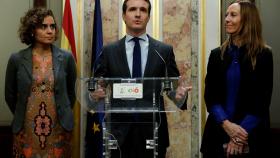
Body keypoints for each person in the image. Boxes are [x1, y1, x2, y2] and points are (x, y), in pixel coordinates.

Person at [89, 0, 191, 157]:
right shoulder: (109, 51)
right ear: (124, 15)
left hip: (153, 133)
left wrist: (179, 96)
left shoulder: (164, 51)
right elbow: (96, 85)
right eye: (132, 9)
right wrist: (94, 94)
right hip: (118, 135)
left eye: (143, 10)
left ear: (148, 16)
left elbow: (171, 88)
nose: (138, 14)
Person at [200, 1, 273, 158]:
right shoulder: (216, 55)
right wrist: (227, 125)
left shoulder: (264, 55)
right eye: (226, 15)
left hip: (251, 136)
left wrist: (239, 137)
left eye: (233, 15)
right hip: (217, 133)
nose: (227, 19)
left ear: (247, 20)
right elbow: (210, 96)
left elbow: (262, 99)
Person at [5, 8, 77, 157]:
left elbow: (72, 92)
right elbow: (9, 95)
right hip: (27, 129)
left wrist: (63, 112)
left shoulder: (66, 58)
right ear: (32, 30)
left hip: (59, 129)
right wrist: (23, 114)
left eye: (52, 26)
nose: (50, 31)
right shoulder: (17, 59)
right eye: (43, 26)